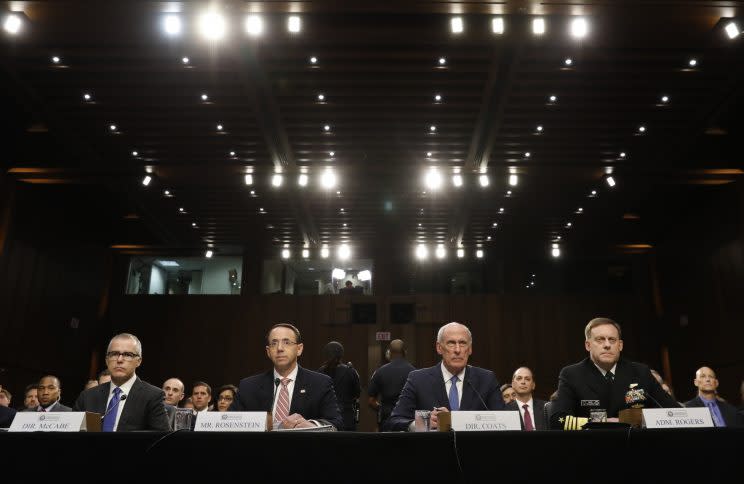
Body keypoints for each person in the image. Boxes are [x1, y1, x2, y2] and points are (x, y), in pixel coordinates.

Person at [549, 317, 680, 430]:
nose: (607, 345)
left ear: (620, 345)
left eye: (612, 340)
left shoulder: (641, 372)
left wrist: (638, 421)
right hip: (591, 448)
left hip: (634, 447)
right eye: (600, 339)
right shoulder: (572, 375)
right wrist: (601, 423)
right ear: (588, 345)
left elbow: (673, 412)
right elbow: (557, 420)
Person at [386, 322, 504, 431]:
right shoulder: (418, 379)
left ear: (470, 349)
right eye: (451, 343)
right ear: (439, 348)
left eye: (462, 343)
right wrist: (424, 422)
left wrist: (453, 420)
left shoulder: (486, 379)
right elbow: (394, 421)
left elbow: (504, 421)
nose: (457, 350)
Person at [230, 323, 343, 430]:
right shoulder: (248, 386)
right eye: (274, 343)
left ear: (299, 349)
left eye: (286, 342)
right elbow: (229, 425)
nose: (279, 348)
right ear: (268, 352)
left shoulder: (320, 383)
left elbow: (336, 423)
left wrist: (311, 425)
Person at [73, 332, 169, 431]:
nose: (119, 359)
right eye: (114, 354)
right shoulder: (87, 397)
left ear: (138, 361)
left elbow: (162, 439)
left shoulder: (152, 396)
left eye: (127, 355)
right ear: (107, 360)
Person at [368, 339, 415, 430]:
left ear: (389, 352)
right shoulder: (414, 372)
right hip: (407, 421)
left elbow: (371, 401)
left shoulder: (380, 372)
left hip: (387, 420)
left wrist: (382, 409)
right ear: (405, 351)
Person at [318, 341, 360, 431]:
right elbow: (357, 393)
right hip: (347, 417)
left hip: (326, 419)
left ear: (325, 354)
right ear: (342, 354)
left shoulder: (319, 372)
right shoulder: (350, 371)